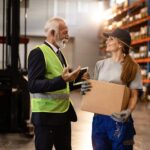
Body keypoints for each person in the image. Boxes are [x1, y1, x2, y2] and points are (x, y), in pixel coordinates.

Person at [81, 28, 143, 150]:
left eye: (111, 39)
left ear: (120, 44)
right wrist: (85, 88)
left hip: (119, 119)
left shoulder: (133, 67)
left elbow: (133, 95)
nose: (107, 41)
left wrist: (128, 111)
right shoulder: (100, 64)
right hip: (99, 120)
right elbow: (95, 91)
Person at [28, 17, 81, 150]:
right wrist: (62, 80)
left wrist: (79, 80)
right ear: (52, 33)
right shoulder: (38, 53)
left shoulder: (59, 54)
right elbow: (33, 85)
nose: (67, 36)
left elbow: (64, 85)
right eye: (65, 32)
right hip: (46, 119)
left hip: (62, 117)